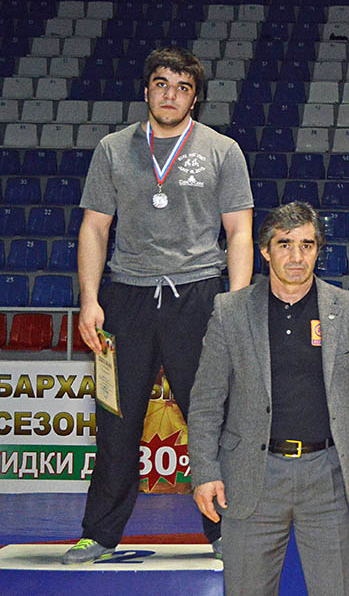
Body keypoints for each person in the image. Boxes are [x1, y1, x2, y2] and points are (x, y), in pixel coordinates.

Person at [63, 47, 254, 564]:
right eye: (162, 84)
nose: (171, 95)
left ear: (196, 98)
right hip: (125, 297)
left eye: (183, 87)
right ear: (146, 89)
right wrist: (89, 300)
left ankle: (227, 530)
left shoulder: (222, 150)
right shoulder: (112, 149)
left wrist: (235, 303)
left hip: (199, 295)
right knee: (116, 420)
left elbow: (239, 231)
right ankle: (99, 534)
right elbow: (94, 228)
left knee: (211, 418)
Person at [186, 202, 349, 596]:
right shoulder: (231, 312)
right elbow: (206, 401)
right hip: (251, 477)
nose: (297, 257)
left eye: (307, 245)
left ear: (318, 251)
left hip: (331, 477)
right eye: (285, 244)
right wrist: (206, 471)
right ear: (265, 250)